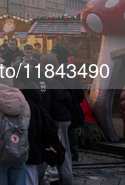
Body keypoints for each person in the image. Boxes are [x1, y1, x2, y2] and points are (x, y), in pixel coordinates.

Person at [41, 54, 74, 184]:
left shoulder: (51, 80)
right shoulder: (61, 76)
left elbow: (52, 100)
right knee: (62, 148)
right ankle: (65, 178)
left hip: (57, 119)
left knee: (60, 149)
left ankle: (65, 179)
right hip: (63, 117)